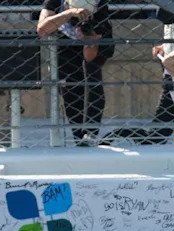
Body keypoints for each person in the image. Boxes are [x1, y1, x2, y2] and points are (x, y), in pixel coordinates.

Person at [36, 0, 115, 145]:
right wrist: (69, 13)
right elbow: (42, 29)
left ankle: (90, 133)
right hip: (65, 43)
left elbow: (90, 58)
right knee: (70, 89)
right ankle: (79, 138)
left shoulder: (99, 5)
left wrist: (88, 41)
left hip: (94, 42)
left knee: (91, 76)